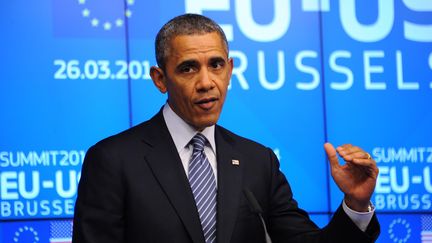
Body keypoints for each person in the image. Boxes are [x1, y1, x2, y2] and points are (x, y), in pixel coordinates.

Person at [72, 14, 380, 243]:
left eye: (216, 65)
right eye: (188, 68)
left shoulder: (258, 161)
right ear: (160, 79)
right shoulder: (113, 160)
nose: (207, 82)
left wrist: (356, 204)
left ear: (229, 70)